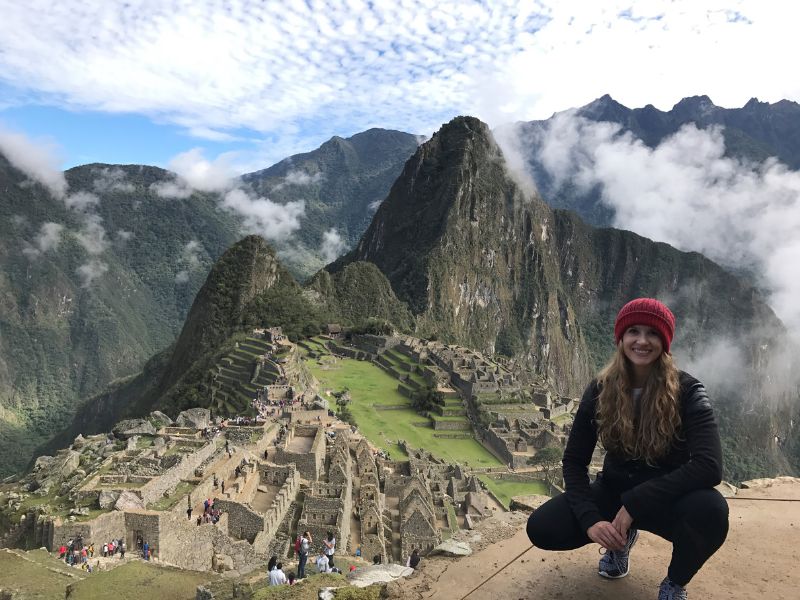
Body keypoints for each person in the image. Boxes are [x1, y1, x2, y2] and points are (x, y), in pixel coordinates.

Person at [526, 298, 729, 600]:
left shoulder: (688, 392)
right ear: (621, 338)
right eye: (633, 331)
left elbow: (709, 466)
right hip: (614, 490)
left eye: (653, 333)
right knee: (542, 527)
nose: (642, 341)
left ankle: (675, 582)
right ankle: (620, 540)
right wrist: (591, 519)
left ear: (665, 341)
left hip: (668, 498)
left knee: (712, 511)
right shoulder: (600, 388)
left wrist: (635, 503)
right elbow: (574, 461)